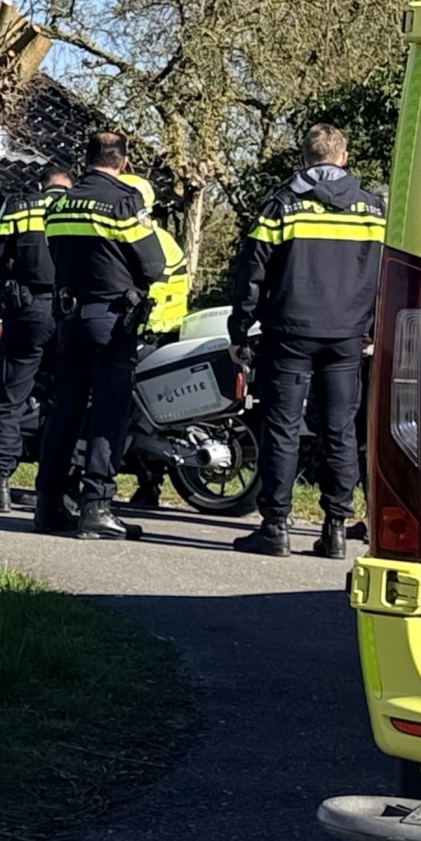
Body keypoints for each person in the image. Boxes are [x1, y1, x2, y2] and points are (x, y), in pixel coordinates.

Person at [228, 124, 385, 558]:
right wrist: (374, 327)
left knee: (283, 428)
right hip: (347, 336)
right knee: (340, 430)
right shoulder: (372, 209)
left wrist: (240, 330)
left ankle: (274, 528)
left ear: (304, 158)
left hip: (290, 332)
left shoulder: (282, 205)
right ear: (344, 157)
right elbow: (386, 273)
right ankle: (335, 530)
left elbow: (252, 272)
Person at [33, 131, 166, 541]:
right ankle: (97, 506)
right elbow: (154, 264)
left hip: (68, 320)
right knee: (109, 413)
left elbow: (57, 254)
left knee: (65, 412)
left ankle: (49, 505)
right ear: (123, 162)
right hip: (112, 323)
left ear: (86, 159)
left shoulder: (59, 205)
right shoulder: (125, 203)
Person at [0, 159, 73, 512]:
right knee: (64, 402)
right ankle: (55, 489)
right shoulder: (80, 208)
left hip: (28, 312)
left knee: (9, 398)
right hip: (70, 314)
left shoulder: (21, 207)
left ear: (41, 185)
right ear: (69, 187)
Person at [121, 173, 191, 512]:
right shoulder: (164, 238)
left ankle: (86, 476)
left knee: (114, 405)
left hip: (144, 332)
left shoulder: (140, 238)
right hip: (168, 330)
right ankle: (148, 484)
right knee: (146, 413)